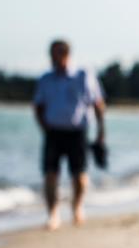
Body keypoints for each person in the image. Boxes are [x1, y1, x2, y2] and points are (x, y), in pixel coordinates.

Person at [32, 39, 105, 231]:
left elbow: (97, 104)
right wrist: (44, 127)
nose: (52, 59)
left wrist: (101, 132)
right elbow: (38, 107)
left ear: (65, 54)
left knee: (80, 175)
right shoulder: (45, 79)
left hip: (77, 132)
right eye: (51, 54)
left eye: (55, 54)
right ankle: (53, 214)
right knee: (50, 175)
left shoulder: (82, 75)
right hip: (53, 133)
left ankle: (77, 207)